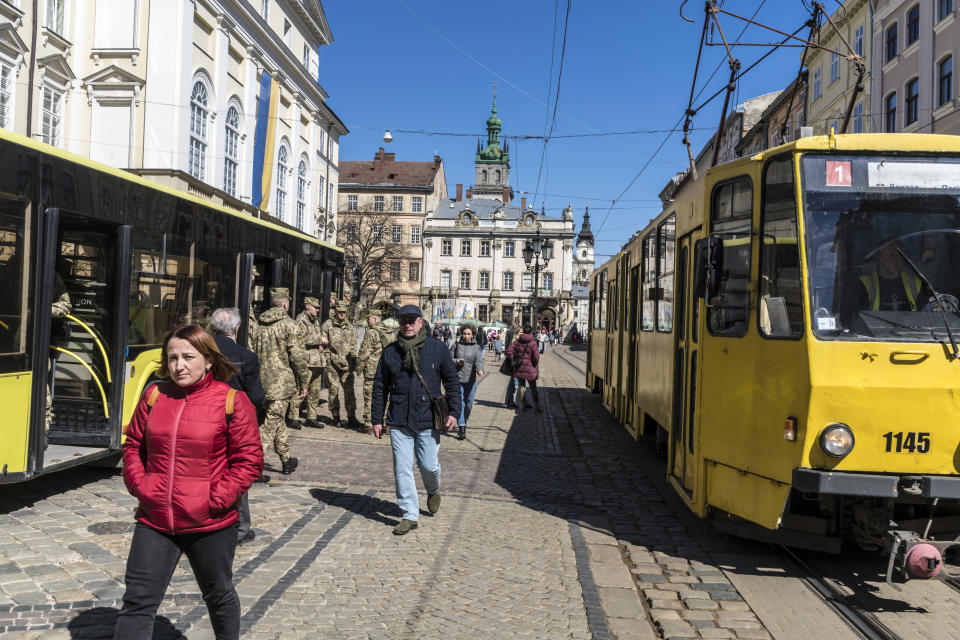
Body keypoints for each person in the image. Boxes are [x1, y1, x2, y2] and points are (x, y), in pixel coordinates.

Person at [115, 325, 262, 639]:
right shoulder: (155, 395)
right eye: (172, 358)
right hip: (155, 520)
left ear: (208, 360)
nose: (178, 365)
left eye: (187, 357)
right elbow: (133, 446)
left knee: (218, 594)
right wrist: (142, 487)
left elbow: (248, 462)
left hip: (210, 522)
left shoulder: (233, 401)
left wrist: (214, 500)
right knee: (137, 602)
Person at [371, 304, 462, 535]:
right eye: (403, 321)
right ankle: (409, 514)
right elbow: (380, 386)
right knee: (402, 468)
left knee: (428, 466)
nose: (408, 325)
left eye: (412, 320)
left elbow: (451, 382)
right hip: (399, 419)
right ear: (399, 324)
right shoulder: (390, 352)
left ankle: (433, 490)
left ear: (421, 322)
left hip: (428, 418)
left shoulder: (437, 348)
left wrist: (454, 413)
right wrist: (377, 418)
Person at [210, 307, 267, 547]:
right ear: (237, 328)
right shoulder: (246, 356)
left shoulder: (203, 352)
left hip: (204, 417)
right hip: (235, 421)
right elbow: (256, 396)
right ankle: (240, 528)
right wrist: (257, 418)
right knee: (236, 471)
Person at [253, 287, 308, 475]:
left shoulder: (258, 324)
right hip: (282, 384)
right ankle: (252, 464)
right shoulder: (290, 325)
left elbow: (251, 352)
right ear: (285, 303)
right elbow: (298, 357)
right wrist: (304, 382)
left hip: (261, 383)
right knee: (269, 425)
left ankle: (286, 460)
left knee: (277, 421)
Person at [855, 240, 927, 313]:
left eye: (899, 254)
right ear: (878, 258)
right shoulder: (864, 284)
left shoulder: (915, 283)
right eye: (890, 254)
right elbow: (857, 318)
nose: (895, 258)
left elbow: (925, 315)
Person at [319, 300, 360, 428]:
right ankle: (335, 417)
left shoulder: (350, 327)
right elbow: (322, 344)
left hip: (347, 365)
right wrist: (327, 359)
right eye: (340, 312)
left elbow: (354, 345)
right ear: (335, 311)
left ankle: (351, 417)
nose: (342, 314)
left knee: (349, 391)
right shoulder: (327, 325)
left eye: (344, 312)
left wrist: (354, 363)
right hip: (332, 364)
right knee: (333, 391)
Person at [357, 307, 395, 434]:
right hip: (388, 370)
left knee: (370, 396)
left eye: (368, 319)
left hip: (373, 370)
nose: (367, 322)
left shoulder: (372, 333)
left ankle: (368, 424)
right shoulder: (390, 333)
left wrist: (359, 369)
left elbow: (364, 353)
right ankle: (385, 423)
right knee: (386, 396)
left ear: (374, 319)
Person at [450, 323, 485, 441]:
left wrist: (480, 369)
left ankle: (464, 420)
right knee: (460, 403)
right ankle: (461, 427)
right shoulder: (456, 345)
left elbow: (479, 360)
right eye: (464, 333)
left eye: (468, 334)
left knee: (469, 403)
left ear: (472, 335)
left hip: (470, 379)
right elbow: (448, 359)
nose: (465, 336)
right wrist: (456, 361)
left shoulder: (476, 347)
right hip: (457, 378)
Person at [295, 296, 326, 429]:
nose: (318, 310)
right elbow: (301, 339)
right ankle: (293, 417)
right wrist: (320, 339)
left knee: (315, 392)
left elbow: (316, 340)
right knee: (301, 391)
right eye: (316, 307)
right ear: (308, 306)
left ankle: (311, 417)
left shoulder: (315, 321)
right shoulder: (300, 320)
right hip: (306, 362)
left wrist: (321, 345)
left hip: (317, 361)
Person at [506, 324, 542, 413]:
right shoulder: (533, 343)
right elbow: (536, 357)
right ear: (530, 332)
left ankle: (523, 406)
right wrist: (534, 363)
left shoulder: (518, 341)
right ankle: (537, 407)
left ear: (524, 331)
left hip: (519, 367)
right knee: (533, 388)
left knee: (521, 386)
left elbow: (509, 351)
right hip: (530, 368)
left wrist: (513, 359)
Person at [503, 321, 521, 409]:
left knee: (512, 383)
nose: (523, 334)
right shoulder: (516, 340)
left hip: (514, 363)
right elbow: (511, 350)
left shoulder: (512, 335)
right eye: (521, 332)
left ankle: (509, 401)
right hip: (515, 364)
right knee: (515, 383)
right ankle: (511, 401)